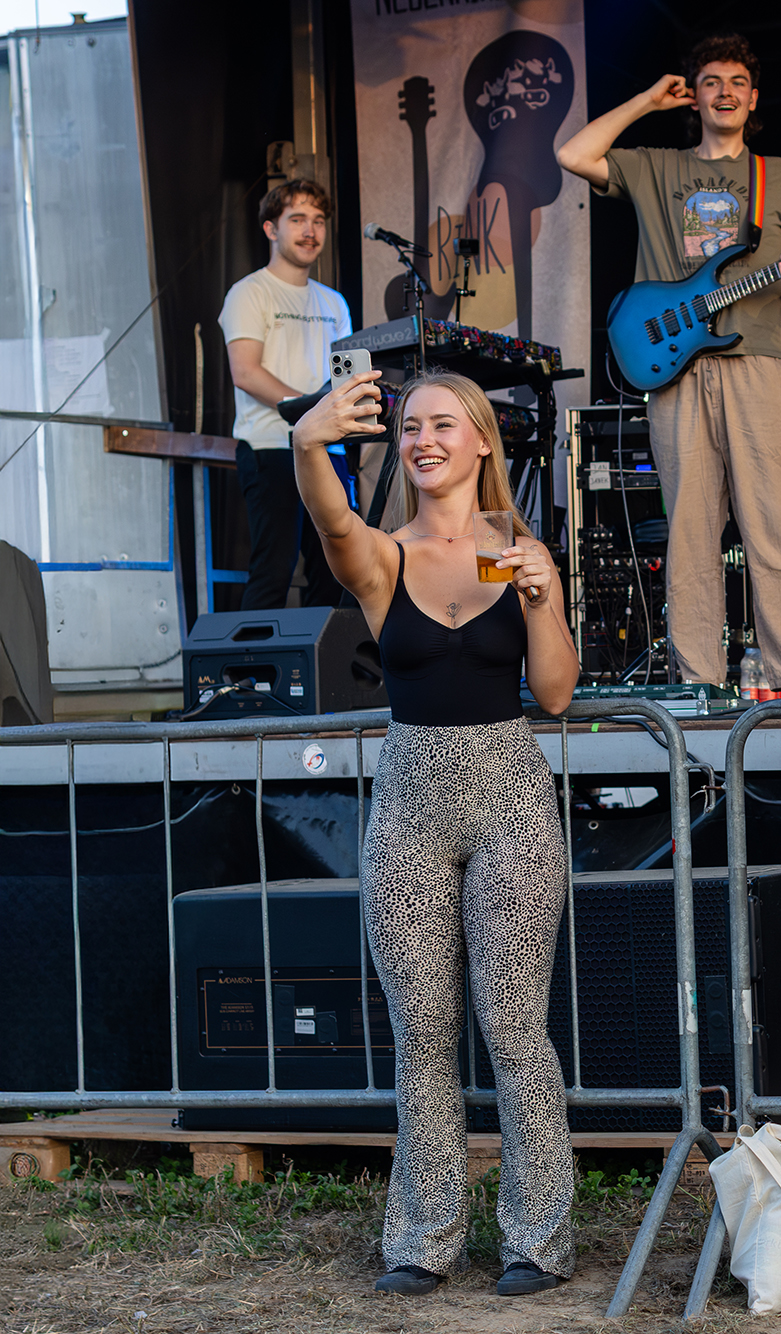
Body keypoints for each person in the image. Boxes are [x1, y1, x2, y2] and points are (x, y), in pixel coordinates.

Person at [290, 368, 581, 1295]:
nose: (423, 440)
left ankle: (538, 1240)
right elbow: (332, 520)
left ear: (481, 439)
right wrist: (309, 440)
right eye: (410, 425)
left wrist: (543, 596)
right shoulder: (385, 557)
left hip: (511, 798)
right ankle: (422, 1240)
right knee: (420, 1028)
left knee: (514, 1025)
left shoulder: (523, 550)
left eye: (443, 425)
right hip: (411, 802)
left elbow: (556, 693)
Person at [556, 32, 781, 696]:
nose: (725, 92)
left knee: (770, 523)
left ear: (754, 98)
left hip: (756, 361)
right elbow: (571, 153)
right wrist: (648, 100)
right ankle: (697, 680)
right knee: (690, 531)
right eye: (711, 82)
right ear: (694, 97)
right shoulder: (657, 167)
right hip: (675, 366)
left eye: (737, 82)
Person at [220, 179, 352, 610]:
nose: (310, 231)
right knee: (274, 569)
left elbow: (341, 379)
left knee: (337, 569)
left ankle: (322, 656)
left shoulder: (334, 303)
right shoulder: (250, 292)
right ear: (271, 229)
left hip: (329, 451)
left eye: (318, 220)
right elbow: (245, 372)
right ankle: (254, 656)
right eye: (297, 219)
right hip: (270, 447)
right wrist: (313, 411)